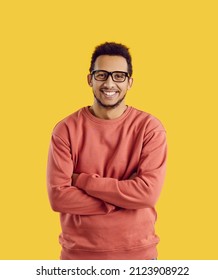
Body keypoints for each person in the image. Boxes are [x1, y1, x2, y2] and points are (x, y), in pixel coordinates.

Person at [46, 42, 167, 260]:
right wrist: (121, 198)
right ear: (90, 79)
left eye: (119, 76)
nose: (109, 83)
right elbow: (58, 198)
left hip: (139, 257)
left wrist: (82, 181)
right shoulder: (65, 130)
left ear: (130, 82)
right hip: (79, 258)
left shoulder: (150, 128)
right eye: (101, 74)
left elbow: (147, 194)